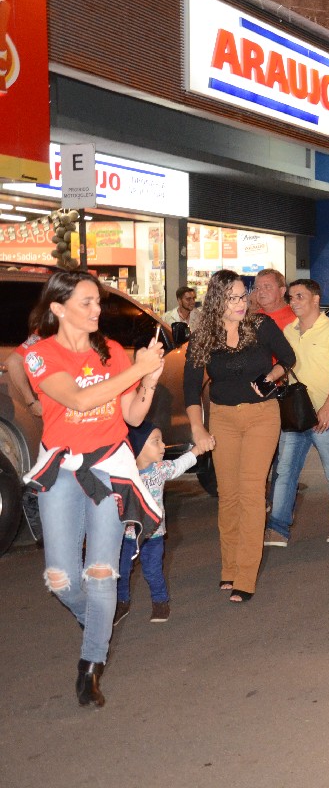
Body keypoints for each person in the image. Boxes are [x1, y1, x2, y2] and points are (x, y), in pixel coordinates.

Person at [21, 269, 166, 707]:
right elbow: (79, 400)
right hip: (61, 467)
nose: (96, 310)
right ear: (58, 308)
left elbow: (134, 417)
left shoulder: (114, 352)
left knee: (102, 572)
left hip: (109, 466)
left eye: (98, 302)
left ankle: (90, 668)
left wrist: (150, 377)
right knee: (61, 577)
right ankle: (96, 621)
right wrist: (137, 368)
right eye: (86, 302)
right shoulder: (39, 356)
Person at [185, 269, 294, 601]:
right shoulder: (204, 336)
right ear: (218, 300)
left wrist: (269, 377)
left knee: (250, 492)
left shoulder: (260, 326)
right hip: (222, 419)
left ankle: (245, 575)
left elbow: (288, 358)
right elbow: (190, 390)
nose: (241, 303)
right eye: (233, 297)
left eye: (243, 296)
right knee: (228, 496)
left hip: (262, 417)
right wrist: (198, 427)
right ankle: (229, 568)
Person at [265, 279, 329, 547]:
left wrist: (328, 406)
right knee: (285, 471)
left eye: (300, 296)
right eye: (291, 297)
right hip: (296, 414)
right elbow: (284, 364)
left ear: (315, 299)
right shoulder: (289, 331)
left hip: (325, 415)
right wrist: (266, 380)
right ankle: (278, 528)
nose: (293, 302)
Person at [115, 421, 207, 625]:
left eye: (162, 440)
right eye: (156, 441)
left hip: (153, 534)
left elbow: (180, 465)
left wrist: (197, 450)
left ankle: (160, 601)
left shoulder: (160, 469)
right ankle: (121, 602)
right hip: (126, 536)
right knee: (121, 571)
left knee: (152, 570)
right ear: (137, 448)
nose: (163, 445)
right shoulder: (124, 474)